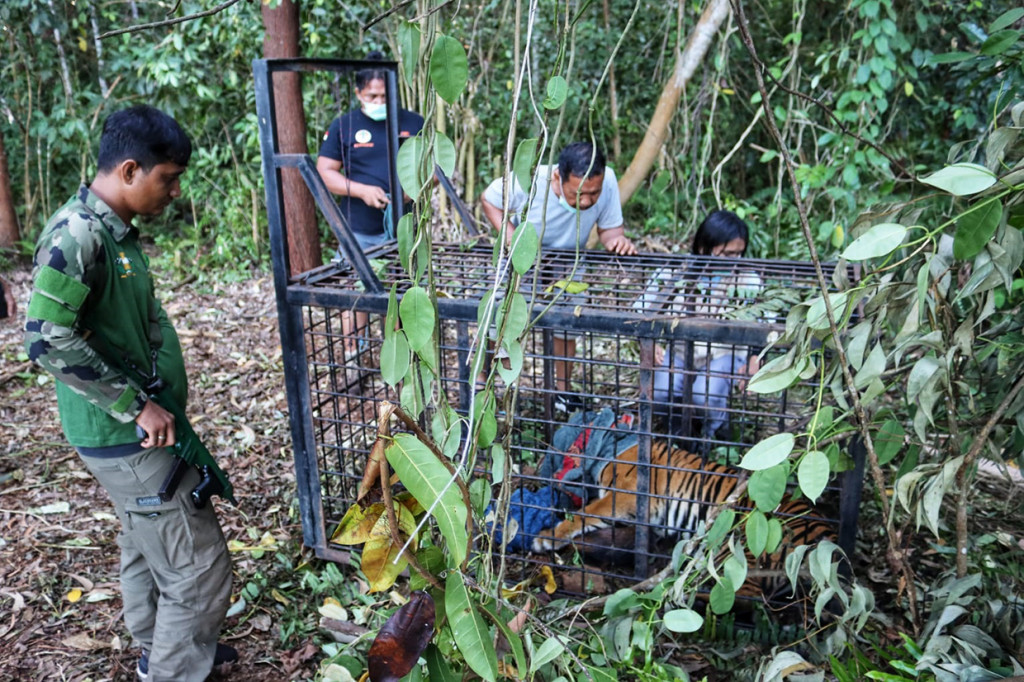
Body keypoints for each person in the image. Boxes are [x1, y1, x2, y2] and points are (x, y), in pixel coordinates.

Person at [23, 106, 236, 682]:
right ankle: (173, 669)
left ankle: (155, 650)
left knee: (146, 542)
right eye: (169, 178)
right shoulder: (78, 233)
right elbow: (44, 338)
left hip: (131, 433)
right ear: (129, 170)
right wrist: (136, 406)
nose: (175, 191)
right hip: (125, 435)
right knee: (199, 570)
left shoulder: (112, 232)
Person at [480, 142, 637, 409]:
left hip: (568, 260)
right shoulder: (530, 180)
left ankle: (562, 392)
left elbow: (610, 230)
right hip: (523, 254)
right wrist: (511, 238)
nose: (586, 201)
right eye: (578, 193)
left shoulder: (608, 180)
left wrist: (617, 242)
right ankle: (484, 381)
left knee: (568, 324)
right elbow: (489, 199)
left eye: (594, 193)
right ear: (557, 177)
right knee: (501, 319)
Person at [316, 51, 424, 356]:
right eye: (371, 96)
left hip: (405, 230)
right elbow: (325, 172)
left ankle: (402, 357)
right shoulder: (344, 125)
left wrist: (412, 190)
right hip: (359, 228)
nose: (378, 102)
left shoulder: (414, 122)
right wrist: (361, 190)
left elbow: (434, 169)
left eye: (384, 96)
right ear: (358, 93)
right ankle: (354, 355)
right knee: (356, 293)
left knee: (402, 293)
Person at [649, 209, 760, 439]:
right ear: (703, 248)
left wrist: (754, 359)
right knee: (660, 392)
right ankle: (679, 435)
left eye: (739, 254)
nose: (735, 260)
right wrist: (651, 344)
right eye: (728, 254)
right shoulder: (674, 272)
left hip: (725, 354)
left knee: (704, 395)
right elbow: (643, 310)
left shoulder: (749, 280)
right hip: (680, 350)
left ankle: (716, 436)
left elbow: (764, 324)